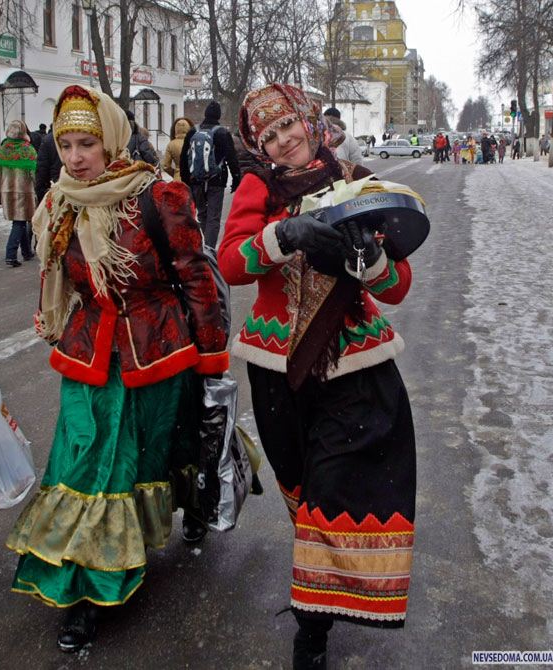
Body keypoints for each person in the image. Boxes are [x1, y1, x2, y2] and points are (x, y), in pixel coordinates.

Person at [6, 84, 229, 653]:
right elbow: (60, 279)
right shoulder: (59, 202)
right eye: (66, 145)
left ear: (110, 140)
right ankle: (85, 588)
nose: (76, 157)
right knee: (88, 462)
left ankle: (193, 506)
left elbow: (197, 278)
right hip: (90, 353)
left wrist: (211, 357)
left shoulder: (159, 196)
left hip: (157, 347)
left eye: (87, 143)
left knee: (159, 452)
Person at [218, 83, 419, 669]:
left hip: (353, 365)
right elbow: (230, 262)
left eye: (288, 128)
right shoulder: (257, 187)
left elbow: (397, 287)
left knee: (334, 489)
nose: (283, 142)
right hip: (278, 370)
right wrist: (284, 236)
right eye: (268, 136)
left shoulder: (358, 179)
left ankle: (312, 632)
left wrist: (371, 262)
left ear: (310, 122)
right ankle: (323, 584)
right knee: (303, 489)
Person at [180, 100, 241, 249]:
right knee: (214, 217)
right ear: (219, 116)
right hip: (217, 180)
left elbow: (183, 157)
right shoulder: (223, 133)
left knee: (202, 213)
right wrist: (236, 178)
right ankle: (210, 249)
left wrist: (186, 180)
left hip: (196, 180)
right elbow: (232, 157)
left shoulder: (192, 131)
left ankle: (205, 244)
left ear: (205, 114)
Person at [0, 119, 37, 267]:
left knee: (20, 220)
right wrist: (38, 189)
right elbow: (34, 173)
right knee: (19, 222)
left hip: (7, 191)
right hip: (24, 192)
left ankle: (26, 251)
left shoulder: (2, 150)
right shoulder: (28, 149)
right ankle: (10, 255)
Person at [35, 125, 63, 203]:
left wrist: (40, 192)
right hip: (57, 185)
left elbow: (41, 169)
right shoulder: (49, 140)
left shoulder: (48, 139)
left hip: (55, 186)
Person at [161, 116, 194, 181]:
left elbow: (166, 166)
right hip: (191, 178)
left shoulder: (171, 144)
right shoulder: (193, 142)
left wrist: (175, 173)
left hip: (177, 178)